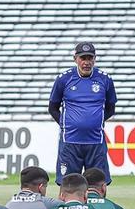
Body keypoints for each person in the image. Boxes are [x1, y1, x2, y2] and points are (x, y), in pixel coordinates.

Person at [49, 42, 117, 185]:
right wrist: (65, 124)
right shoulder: (64, 79)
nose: (86, 62)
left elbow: (111, 108)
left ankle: (98, 207)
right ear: (75, 59)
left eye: (89, 58)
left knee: (98, 184)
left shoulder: (105, 79)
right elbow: (53, 108)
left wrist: (96, 122)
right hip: (70, 142)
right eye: (83, 58)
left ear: (94, 59)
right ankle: (68, 208)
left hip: (95, 142)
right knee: (68, 184)